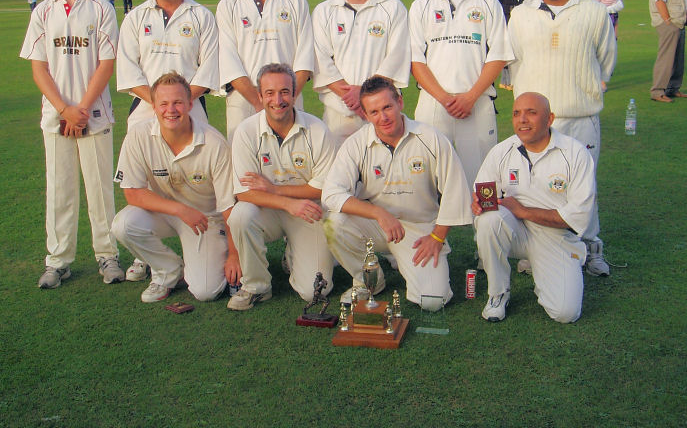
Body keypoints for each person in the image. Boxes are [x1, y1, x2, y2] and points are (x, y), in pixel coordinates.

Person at [19, 0, 123, 289]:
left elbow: (106, 65)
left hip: (94, 116)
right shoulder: (43, 12)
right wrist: (64, 109)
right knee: (60, 190)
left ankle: (107, 256)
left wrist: (81, 109)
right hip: (56, 117)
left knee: (99, 190)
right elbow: (38, 67)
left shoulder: (101, 8)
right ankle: (58, 260)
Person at [508, 0, 616, 277]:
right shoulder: (522, 14)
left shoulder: (594, 12)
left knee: (583, 185)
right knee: (537, 186)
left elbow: (605, 60)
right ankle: (537, 248)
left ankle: (590, 246)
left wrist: (584, 90)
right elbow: (514, 62)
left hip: (579, 115)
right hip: (535, 124)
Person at [322, 76, 472, 309]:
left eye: (387, 107)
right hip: (376, 224)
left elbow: (456, 191)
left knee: (432, 301)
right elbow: (331, 193)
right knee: (335, 223)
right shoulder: (356, 143)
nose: (383, 118)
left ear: (400, 102)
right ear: (365, 114)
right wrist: (379, 214)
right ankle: (369, 280)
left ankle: (412, 264)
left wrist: (437, 237)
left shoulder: (431, 138)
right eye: (374, 112)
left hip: (420, 229)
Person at [116, 0, 220, 281]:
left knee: (196, 178)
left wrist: (180, 103)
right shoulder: (135, 18)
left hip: (191, 108)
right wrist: (161, 103)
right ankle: (146, 256)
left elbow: (210, 66)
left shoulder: (201, 15)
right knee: (144, 182)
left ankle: (207, 234)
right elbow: (128, 68)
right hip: (145, 109)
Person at [111, 72, 241, 303]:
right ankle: (167, 271)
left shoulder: (214, 143)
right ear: (153, 106)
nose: (171, 110)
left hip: (205, 220)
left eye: (178, 102)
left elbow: (229, 207)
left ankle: (200, 264)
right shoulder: (138, 136)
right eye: (163, 103)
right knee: (123, 224)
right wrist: (181, 210)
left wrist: (234, 254)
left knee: (206, 292)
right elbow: (132, 192)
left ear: (190, 104)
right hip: (165, 213)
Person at [473, 93, 595, 323]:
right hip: (514, 231)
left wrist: (523, 211)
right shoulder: (502, 151)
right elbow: (482, 193)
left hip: (555, 236)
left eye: (532, 112)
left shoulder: (575, 154)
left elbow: (577, 218)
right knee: (489, 219)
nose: (522, 120)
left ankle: (550, 270)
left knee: (565, 313)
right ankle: (498, 293)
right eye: (517, 113)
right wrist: (478, 202)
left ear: (550, 119)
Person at [227, 64, 336, 310]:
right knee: (241, 215)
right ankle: (256, 286)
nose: (278, 100)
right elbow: (244, 192)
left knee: (315, 291)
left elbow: (322, 189)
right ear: (260, 96)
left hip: (308, 211)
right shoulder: (246, 131)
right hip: (268, 210)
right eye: (270, 93)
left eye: (285, 92)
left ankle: (295, 253)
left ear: (295, 93)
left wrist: (274, 190)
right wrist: (288, 202)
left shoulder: (318, 130)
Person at [409, 0, 513, 186]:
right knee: (427, 183)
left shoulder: (488, 2)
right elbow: (416, 61)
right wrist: (445, 98)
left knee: (483, 184)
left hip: (476, 103)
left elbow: (498, 56)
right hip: (434, 103)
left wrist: (470, 97)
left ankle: (484, 227)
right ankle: (432, 228)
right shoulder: (421, 5)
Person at [216, 0, 315, 141]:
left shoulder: (295, 0)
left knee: (292, 165)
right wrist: (260, 102)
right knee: (245, 169)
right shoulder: (228, 5)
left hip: (289, 100)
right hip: (243, 102)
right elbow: (228, 61)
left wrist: (282, 99)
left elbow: (305, 57)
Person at [312, 0, 411, 142]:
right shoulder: (324, 11)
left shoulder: (393, 8)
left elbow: (397, 56)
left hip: (382, 113)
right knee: (340, 173)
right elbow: (321, 60)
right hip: (339, 113)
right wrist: (355, 98)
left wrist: (366, 96)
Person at [649, 0, 687, 103]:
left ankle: (673, 88)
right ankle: (658, 91)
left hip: (678, 21)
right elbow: (659, 0)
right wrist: (668, 21)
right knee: (666, 58)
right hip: (669, 22)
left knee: (677, 57)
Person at [493, 0, 530, 90]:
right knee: (508, 52)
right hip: (506, 25)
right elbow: (496, 7)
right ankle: (506, 81)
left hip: (522, 26)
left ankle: (518, 79)